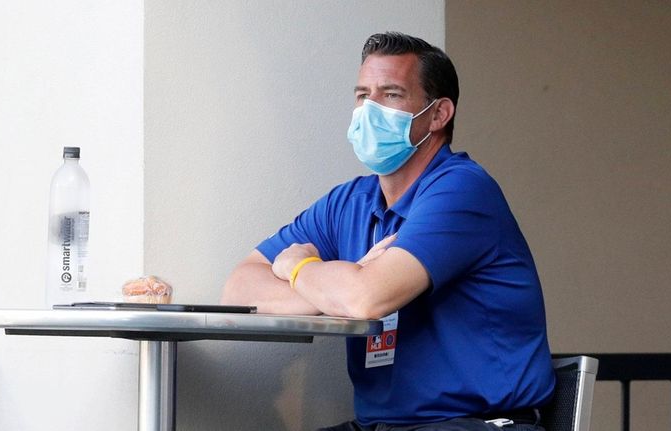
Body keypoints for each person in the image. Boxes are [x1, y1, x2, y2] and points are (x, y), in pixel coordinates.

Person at [221, 32, 555, 431]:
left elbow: (365, 299)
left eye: (391, 95)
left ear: (438, 114)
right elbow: (239, 289)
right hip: (383, 425)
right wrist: (330, 292)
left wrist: (300, 268)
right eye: (363, 95)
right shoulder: (349, 202)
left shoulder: (463, 190)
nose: (369, 109)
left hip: (470, 423)